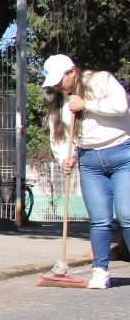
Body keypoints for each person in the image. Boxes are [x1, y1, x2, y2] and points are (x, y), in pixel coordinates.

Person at [43, 53, 130, 290]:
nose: (58, 87)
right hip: (90, 160)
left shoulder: (101, 80)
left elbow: (121, 107)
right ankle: (100, 271)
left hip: (122, 153)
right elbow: (58, 136)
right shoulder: (60, 101)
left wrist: (86, 104)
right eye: (53, 83)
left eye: (60, 80)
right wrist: (65, 158)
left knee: (127, 215)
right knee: (100, 220)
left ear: (72, 72)